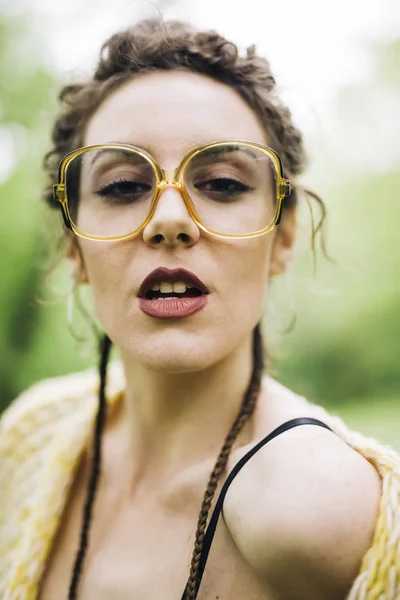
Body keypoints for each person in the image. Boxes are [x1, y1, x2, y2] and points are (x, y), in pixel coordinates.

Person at [0, 17, 399, 600]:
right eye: (121, 187)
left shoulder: (311, 507)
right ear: (73, 248)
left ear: (284, 238)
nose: (169, 220)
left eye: (221, 183)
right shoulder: (29, 438)